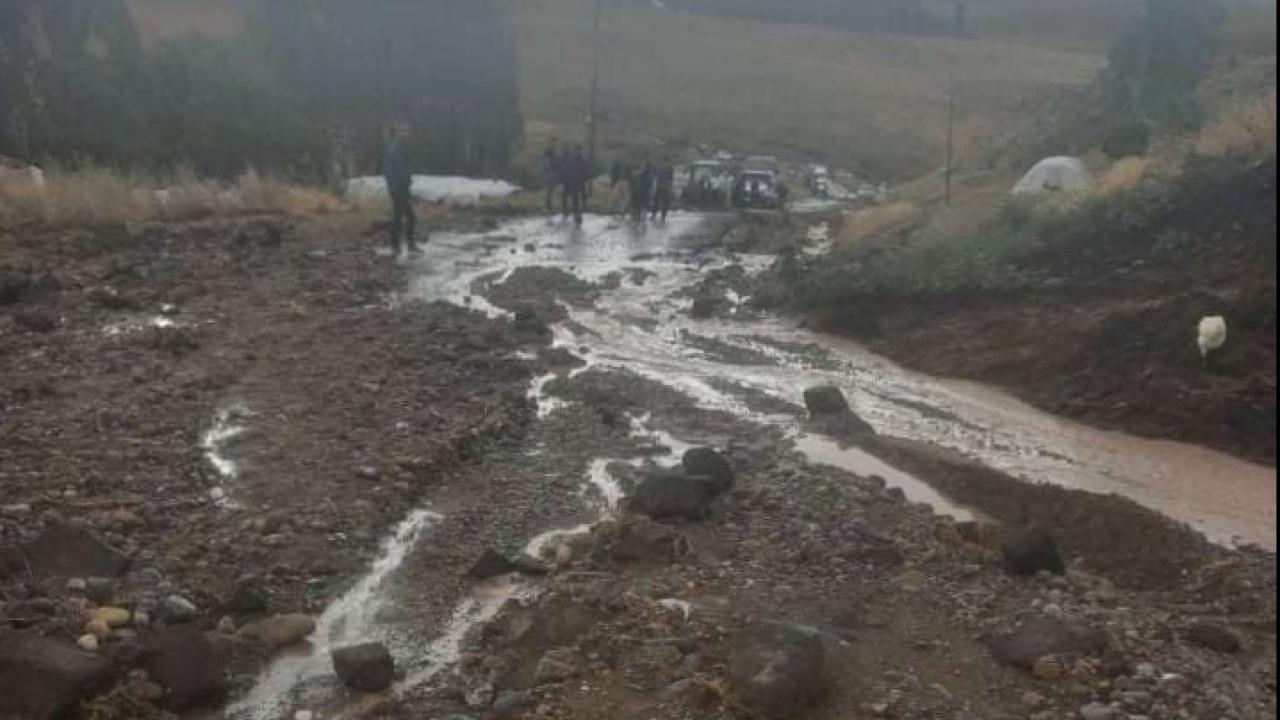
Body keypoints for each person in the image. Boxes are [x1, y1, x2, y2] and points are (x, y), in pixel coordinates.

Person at [383, 121, 421, 256]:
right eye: (404, 131)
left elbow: (398, 169)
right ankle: (399, 246)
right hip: (399, 188)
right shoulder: (396, 148)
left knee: (404, 217)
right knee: (403, 218)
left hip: (400, 187)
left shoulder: (397, 147)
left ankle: (403, 246)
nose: (407, 133)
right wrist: (400, 184)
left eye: (407, 131)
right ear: (398, 133)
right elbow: (394, 170)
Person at [562, 144, 590, 226]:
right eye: (577, 151)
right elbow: (567, 170)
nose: (578, 152)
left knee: (582, 198)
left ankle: (579, 213)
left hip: (581, 182)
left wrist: (586, 179)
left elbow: (586, 171)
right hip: (574, 182)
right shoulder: (572, 160)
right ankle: (576, 215)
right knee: (575, 199)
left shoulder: (583, 160)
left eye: (579, 151)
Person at [651, 158, 675, 223]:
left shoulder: (659, 166)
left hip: (659, 186)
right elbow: (671, 178)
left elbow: (655, 176)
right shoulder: (670, 167)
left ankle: (654, 215)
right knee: (665, 202)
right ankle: (663, 216)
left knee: (656, 201)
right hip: (666, 187)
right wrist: (670, 186)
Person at [542, 138, 562, 216]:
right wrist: (548, 170)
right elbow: (545, 161)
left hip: (554, 172)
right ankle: (546, 208)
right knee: (548, 191)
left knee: (552, 191)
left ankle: (551, 208)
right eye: (553, 142)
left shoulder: (555, 151)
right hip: (549, 173)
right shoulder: (548, 151)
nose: (554, 144)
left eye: (555, 143)